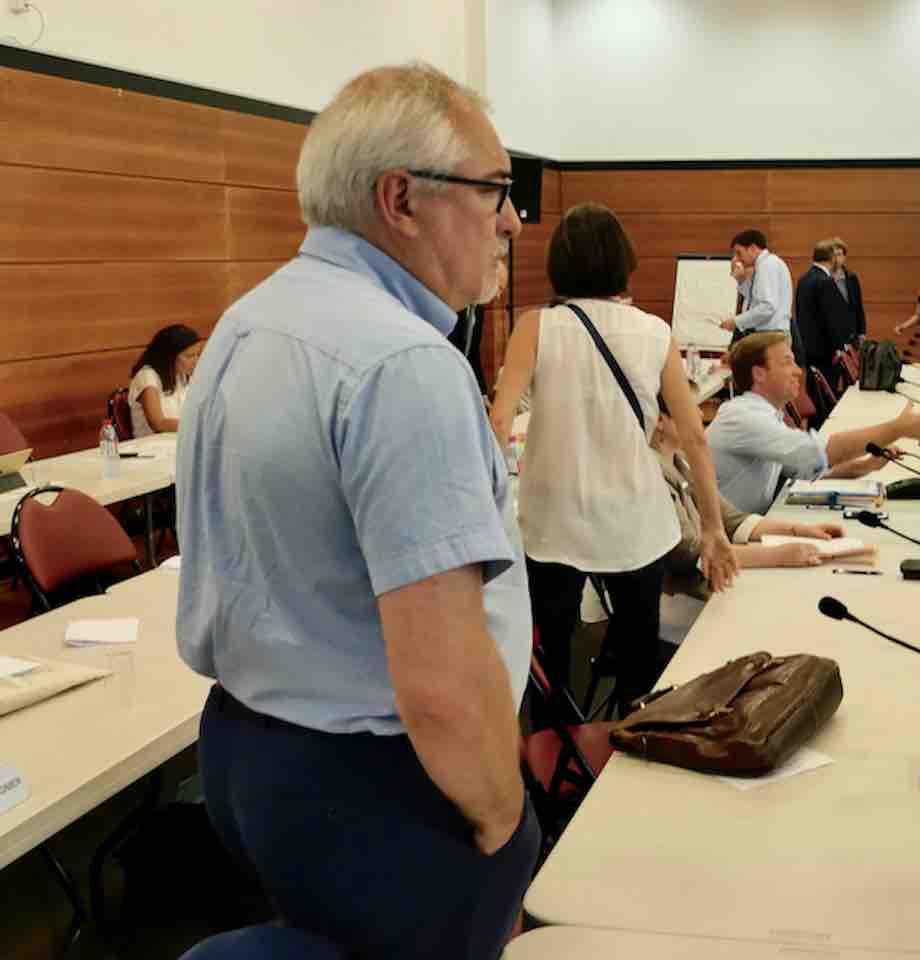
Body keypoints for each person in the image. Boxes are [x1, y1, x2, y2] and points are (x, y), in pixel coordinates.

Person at [175, 64, 539, 959]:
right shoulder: (401, 363)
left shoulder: (248, 321)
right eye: (494, 190)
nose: (511, 221)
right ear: (401, 199)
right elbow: (442, 679)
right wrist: (507, 823)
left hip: (248, 753)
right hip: (379, 782)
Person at [490, 202, 738, 707]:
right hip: (636, 522)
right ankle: (631, 742)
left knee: (549, 665)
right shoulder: (654, 331)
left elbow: (498, 422)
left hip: (552, 521)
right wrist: (713, 529)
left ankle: (557, 746)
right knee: (638, 666)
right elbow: (694, 436)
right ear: (624, 261)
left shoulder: (536, 326)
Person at [706, 331, 920, 514]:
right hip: (724, 543)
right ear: (759, 374)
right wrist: (898, 428)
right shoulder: (743, 417)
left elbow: (800, 472)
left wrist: (864, 467)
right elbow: (815, 453)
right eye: (787, 362)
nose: (798, 371)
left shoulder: (764, 414)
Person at [653, 400, 847, 599]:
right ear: (660, 420)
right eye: (690, 407)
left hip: (715, 582)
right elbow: (689, 552)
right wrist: (779, 555)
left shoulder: (682, 459)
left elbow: (731, 519)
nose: (700, 414)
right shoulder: (652, 476)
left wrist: (799, 531)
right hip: (687, 605)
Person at [794, 239, 857, 386]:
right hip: (826, 352)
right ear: (832, 258)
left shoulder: (803, 279)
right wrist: (839, 347)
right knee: (827, 391)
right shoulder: (825, 281)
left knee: (815, 389)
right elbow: (832, 319)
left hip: (808, 348)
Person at [720, 229, 793, 347]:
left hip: (771, 335)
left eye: (739, 253)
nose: (737, 259)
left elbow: (767, 307)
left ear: (753, 248)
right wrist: (741, 280)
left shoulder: (767, 264)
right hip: (770, 334)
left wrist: (737, 322)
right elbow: (755, 300)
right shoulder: (764, 264)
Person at [128, 324, 201, 437]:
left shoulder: (183, 374)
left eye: (198, 354)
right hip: (152, 444)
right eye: (189, 356)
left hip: (180, 439)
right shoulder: (147, 376)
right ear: (169, 356)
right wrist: (198, 426)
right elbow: (159, 424)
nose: (196, 361)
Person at [450, 258, 507, 397]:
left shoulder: (479, 309)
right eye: (499, 288)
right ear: (486, 279)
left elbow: (473, 354)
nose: (498, 296)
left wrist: (482, 393)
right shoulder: (454, 303)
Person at [831, 237, 867, 342]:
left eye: (839, 254)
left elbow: (858, 306)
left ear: (844, 257)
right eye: (833, 255)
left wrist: (862, 332)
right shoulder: (823, 278)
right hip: (832, 331)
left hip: (851, 331)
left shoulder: (851, 277)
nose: (836, 258)